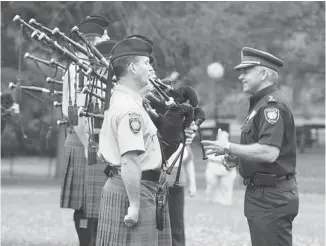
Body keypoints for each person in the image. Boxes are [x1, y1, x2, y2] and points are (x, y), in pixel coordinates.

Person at [96, 37, 196, 246]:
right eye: (146, 63)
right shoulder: (130, 109)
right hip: (135, 189)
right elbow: (130, 159)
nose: (150, 68)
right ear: (133, 67)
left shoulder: (128, 101)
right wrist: (134, 205)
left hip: (136, 185)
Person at [202, 47, 299, 246]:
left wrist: (229, 147)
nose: (241, 77)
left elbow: (270, 152)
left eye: (246, 71)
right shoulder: (260, 104)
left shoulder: (271, 106)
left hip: (271, 195)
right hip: (264, 194)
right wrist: (236, 157)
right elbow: (261, 147)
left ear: (263, 73)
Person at [60, 15, 110, 246]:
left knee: (100, 204)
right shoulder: (75, 70)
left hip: (99, 138)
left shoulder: (104, 67)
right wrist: (91, 144)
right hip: (84, 138)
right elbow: (75, 114)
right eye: (102, 38)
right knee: (84, 204)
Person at [204, 131, 237, 206]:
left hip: (226, 169)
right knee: (211, 184)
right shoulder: (212, 148)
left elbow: (233, 161)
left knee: (225, 186)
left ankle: (226, 201)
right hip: (213, 167)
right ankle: (210, 199)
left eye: (225, 137)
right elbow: (209, 157)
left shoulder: (231, 148)